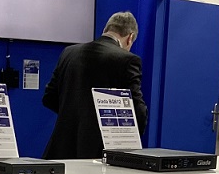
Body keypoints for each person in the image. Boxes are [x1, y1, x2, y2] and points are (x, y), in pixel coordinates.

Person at [42, 11, 148, 159]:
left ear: (106, 30)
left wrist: (75, 116)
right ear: (130, 38)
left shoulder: (69, 53)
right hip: (99, 152)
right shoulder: (128, 60)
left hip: (62, 148)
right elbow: (137, 109)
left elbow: (49, 97)